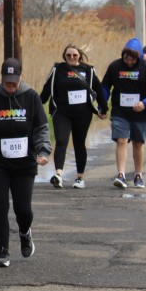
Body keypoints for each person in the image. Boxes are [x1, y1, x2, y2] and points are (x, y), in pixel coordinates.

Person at [0, 58, 51, 267]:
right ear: (2, 78)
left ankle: (24, 232)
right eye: (7, 82)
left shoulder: (31, 97)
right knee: (1, 204)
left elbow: (41, 129)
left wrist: (43, 151)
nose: (10, 85)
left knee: (23, 209)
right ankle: (3, 252)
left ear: (21, 77)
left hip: (25, 164)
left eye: (14, 81)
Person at [40, 43, 107, 189]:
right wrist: (37, 106)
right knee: (61, 140)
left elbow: (99, 89)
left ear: (79, 56)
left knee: (79, 143)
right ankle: (58, 175)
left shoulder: (88, 70)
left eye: (74, 55)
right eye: (68, 55)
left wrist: (103, 108)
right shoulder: (58, 69)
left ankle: (80, 178)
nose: (71, 57)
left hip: (82, 113)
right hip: (62, 112)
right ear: (64, 56)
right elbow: (47, 89)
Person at [100, 37, 146, 189]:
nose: (128, 62)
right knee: (121, 140)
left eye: (132, 60)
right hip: (120, 111)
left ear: (138, 56)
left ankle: (138, 175)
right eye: (126, 59)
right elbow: (105, 86)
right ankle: (120, 175)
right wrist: (102, 105)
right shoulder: (115, 66)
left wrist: (145, 103)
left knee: (137, 143)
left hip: (140, 111)